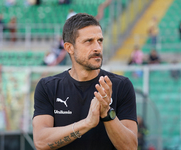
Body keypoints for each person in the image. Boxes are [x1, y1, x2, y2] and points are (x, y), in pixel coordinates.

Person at [33, 13, 138, 150]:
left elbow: (130, 147)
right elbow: (40, 142)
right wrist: (87, 123)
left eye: (100, 41)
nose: (98, 48)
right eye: (89, 41)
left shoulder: (121, 86)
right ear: (69, 48)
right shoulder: (48, 87)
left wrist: (107, 113)